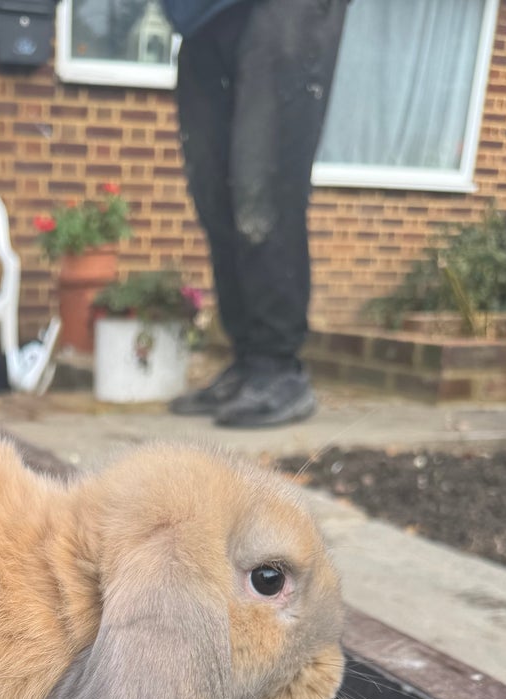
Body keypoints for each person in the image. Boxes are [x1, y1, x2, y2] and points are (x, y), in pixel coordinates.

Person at [164, 0, 348, 426]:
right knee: (214, 194)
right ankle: (247, 359)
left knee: (263, 185)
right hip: (199, 18)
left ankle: (277, 365)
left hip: (283, 12)